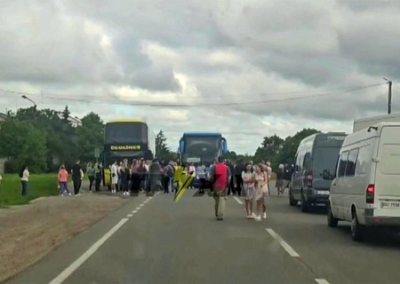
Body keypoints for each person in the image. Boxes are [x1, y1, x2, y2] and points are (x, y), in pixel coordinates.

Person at [209, 156, 231, 221]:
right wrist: (227, 185)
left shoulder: (214, 167)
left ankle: (216, 212)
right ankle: (220, 215)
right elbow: (229, 177)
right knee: (222, 200)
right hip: (224, 186)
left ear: (217, 160)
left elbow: (211, 176)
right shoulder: (227, 168)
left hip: (216, 186)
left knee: (216, 200)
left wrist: (212, 184)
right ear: (223, 161)